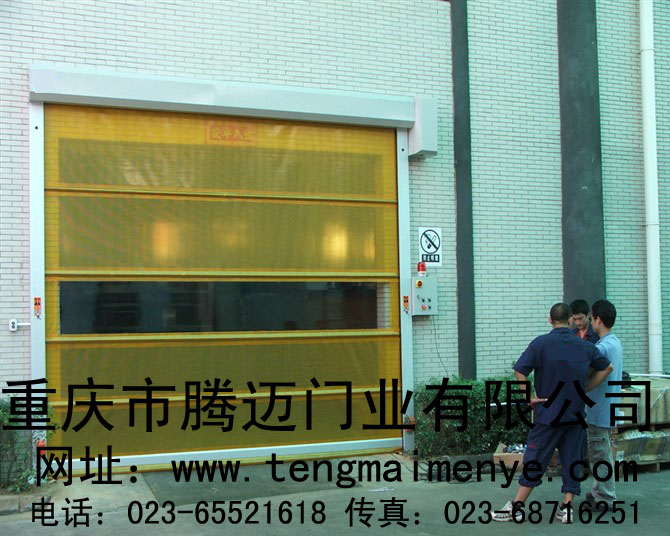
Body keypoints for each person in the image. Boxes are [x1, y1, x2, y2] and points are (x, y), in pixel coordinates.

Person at [493, 303, 612, 524]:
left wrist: (528, 397)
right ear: (570, 320)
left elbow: (520, 370)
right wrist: (585, 388)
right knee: (572, 460)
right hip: (575, 415)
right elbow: (607, 367)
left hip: (548, 415)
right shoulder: (584, 345)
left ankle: (517, 507)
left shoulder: (541, 343)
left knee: (535, 459)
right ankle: (566, 508)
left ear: (550, 319)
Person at [582, 299, 623, 512]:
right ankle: (599, 491)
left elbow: (593, 372)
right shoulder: (614, 342)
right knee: (602, 450)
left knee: (599, 454)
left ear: (598, 320)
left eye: (592, 318)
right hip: (607, 407)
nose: (591, 322)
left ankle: (606, 497)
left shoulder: (602, 348)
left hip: (598, 409)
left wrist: (584, 388)